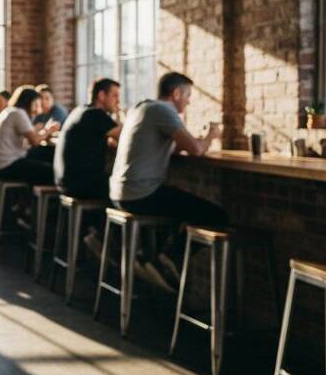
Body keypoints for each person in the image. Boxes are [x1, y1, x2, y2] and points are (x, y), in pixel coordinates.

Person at [109, 71, 226, 291]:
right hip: (141, 193)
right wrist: (212, 134)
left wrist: (194, 141)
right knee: (218, 216)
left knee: (178, 211)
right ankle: (169, 258)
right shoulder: (164, 110)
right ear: (177, 93)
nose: (189, 101)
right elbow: (196, 149)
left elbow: (175, 145)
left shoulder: (141, 108)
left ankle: (153, 259)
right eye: (188, 95)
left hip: (120, 192)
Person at [54, 78, 122, 199]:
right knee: (125, 187)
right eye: (115, 96)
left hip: (65, 181)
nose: (118, 101)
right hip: (81, 185)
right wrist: (119, 114)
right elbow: (126, 137)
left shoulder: (80, 110)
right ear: (101, 95)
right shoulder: (95, 114)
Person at [0, 86, 55, 186]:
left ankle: (30, 198)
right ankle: (44, 200)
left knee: (44, 155)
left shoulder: (11, 111)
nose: (37, 106)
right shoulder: (18, 113)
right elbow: (35, 141)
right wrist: (49, 131)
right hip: (6, 166)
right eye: (36, 103)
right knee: (52, 171)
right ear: (29, 102)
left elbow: (28, 139)